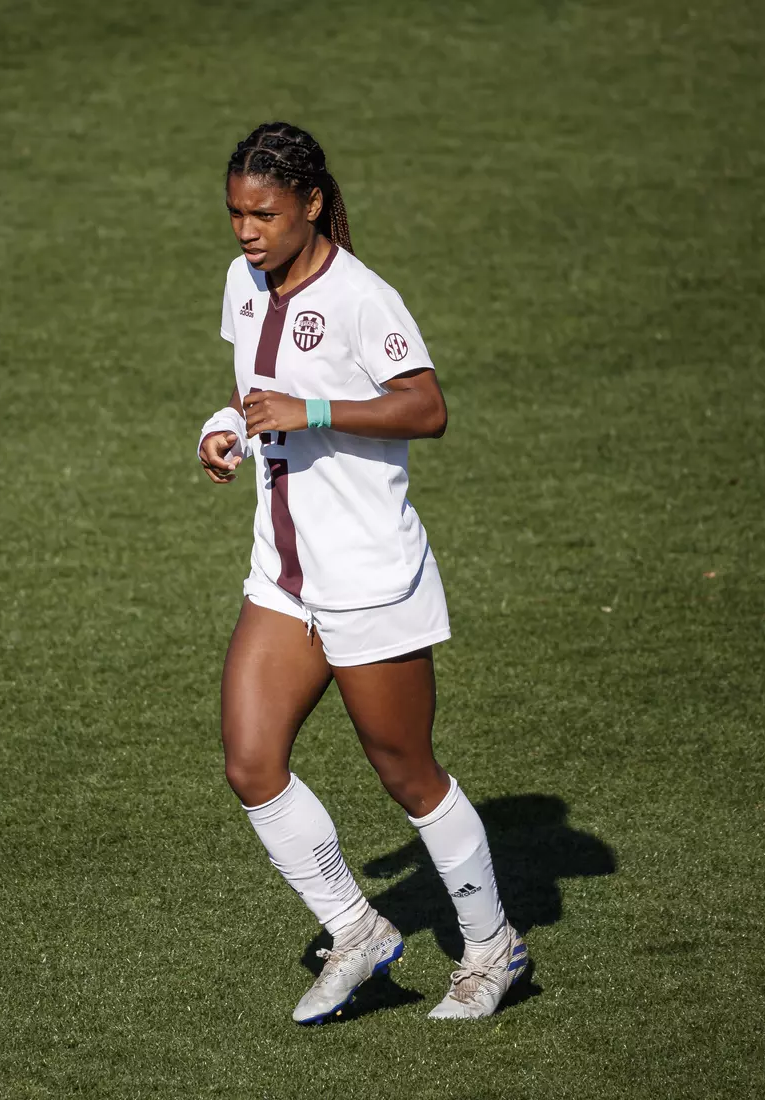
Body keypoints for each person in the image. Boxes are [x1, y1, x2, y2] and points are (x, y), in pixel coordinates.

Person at [197, 121, 527, 1024]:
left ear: (310, 204)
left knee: (406, 773)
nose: (245, 231)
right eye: (234, 213)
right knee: (250, 763)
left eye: (263, 214)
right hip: (283, 576)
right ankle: (356, 930)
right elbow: (254, 391)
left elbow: (426, 407)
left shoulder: (361, 298)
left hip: (369, 582)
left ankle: (492, 947)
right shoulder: (242, 283)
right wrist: (224, 430)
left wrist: (309, 410)